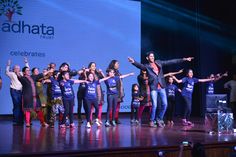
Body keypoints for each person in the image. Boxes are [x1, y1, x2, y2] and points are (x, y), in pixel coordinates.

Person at [128, 51, 193, 127]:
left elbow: (171, 61)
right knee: (154, 105)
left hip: (161, 87)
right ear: (147, 58)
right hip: (153, 87)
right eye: (151, 56)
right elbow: (140, 66)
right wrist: (133, 62)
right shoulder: (147, 66)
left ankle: (159, 119)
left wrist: (184, 59)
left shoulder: (158, 62)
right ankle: (151, 121)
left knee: (165, 104)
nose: (152, 57)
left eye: (153, 56)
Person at [5, 58, 29, 125]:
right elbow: (6, 72)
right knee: (16, 105)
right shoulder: (12, 74)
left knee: (21, 105)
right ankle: (16, 120)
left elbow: (27, 69)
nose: (18, 69)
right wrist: (8, 65)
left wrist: (26, 62)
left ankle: (20, 120)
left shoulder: (21, 73)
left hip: (21, 91)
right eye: (16, 68)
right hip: (14, 91)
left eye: (18, 68)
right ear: (14, 69)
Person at [107, 60, 124, 124]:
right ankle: (111, 119)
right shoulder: (110, 72)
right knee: (112, 106)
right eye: (117, 63)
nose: (118, 64)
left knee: (117, 106)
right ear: (113, 64)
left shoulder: (118, 72)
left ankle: (116, 118)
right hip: (113, 92)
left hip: (119, 91)